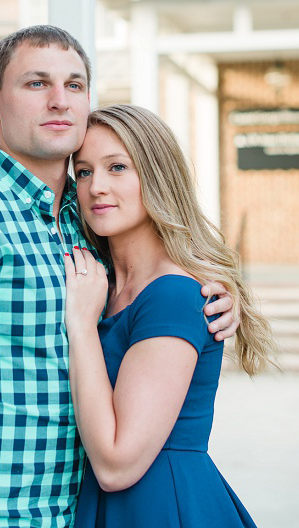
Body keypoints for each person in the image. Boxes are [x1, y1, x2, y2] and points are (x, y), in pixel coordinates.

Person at [0, 25, 240, 526]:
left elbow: (149, 301)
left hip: (84, 512)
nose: (60, 101)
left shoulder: (83, 228)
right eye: (37, 83)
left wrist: (211, 295)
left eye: (75, 85)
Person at [65, 104, 275, 527]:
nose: (96, 187)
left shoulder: (174, 296)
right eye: (84, 172)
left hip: (159, 505)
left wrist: (82, 327)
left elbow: (116, 466)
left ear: (157, 177)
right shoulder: (99, 281)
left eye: (117, 167)